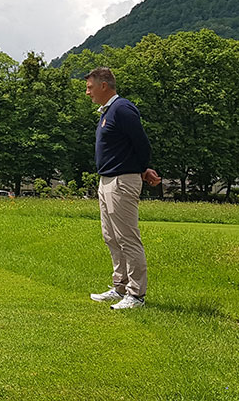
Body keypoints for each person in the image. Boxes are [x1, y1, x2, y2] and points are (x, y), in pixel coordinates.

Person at [83, 67, 161, 310]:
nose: (88, 93)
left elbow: (141, 144)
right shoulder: (108, 112)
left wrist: (141, 168)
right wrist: (141, 169)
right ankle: (120, 287)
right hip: (107, 180)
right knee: (111, 237)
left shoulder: (122, 109)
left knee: (127, 237)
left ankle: (136, 295)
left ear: (104, 85)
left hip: (121, 182)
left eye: (90, 87)